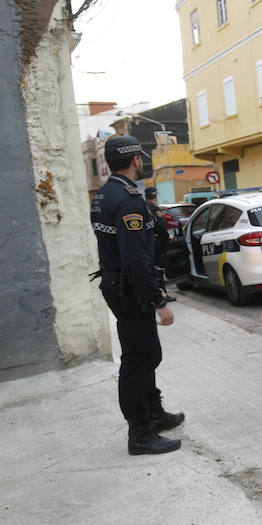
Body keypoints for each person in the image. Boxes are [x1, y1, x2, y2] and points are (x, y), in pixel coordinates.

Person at [90, 135, 185, 455]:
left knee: (148, 354)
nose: (142, 162)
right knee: (137, 360)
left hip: (120, 284)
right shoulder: (128, 199)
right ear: (134, 160)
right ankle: (140, 434)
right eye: (140, 158)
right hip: (129, 288)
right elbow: (134, 259)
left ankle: (154, 414)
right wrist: (158, 300)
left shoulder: (105, 195)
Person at [144, 186, 176, 303]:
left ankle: (156, 292)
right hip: (158, 243)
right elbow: (161, 226)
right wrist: (168, 237)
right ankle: (163, 294)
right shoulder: (155, 208)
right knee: (159, 270)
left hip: (147, 244)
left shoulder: (143, 206)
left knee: (152, 269)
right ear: (155, 196)